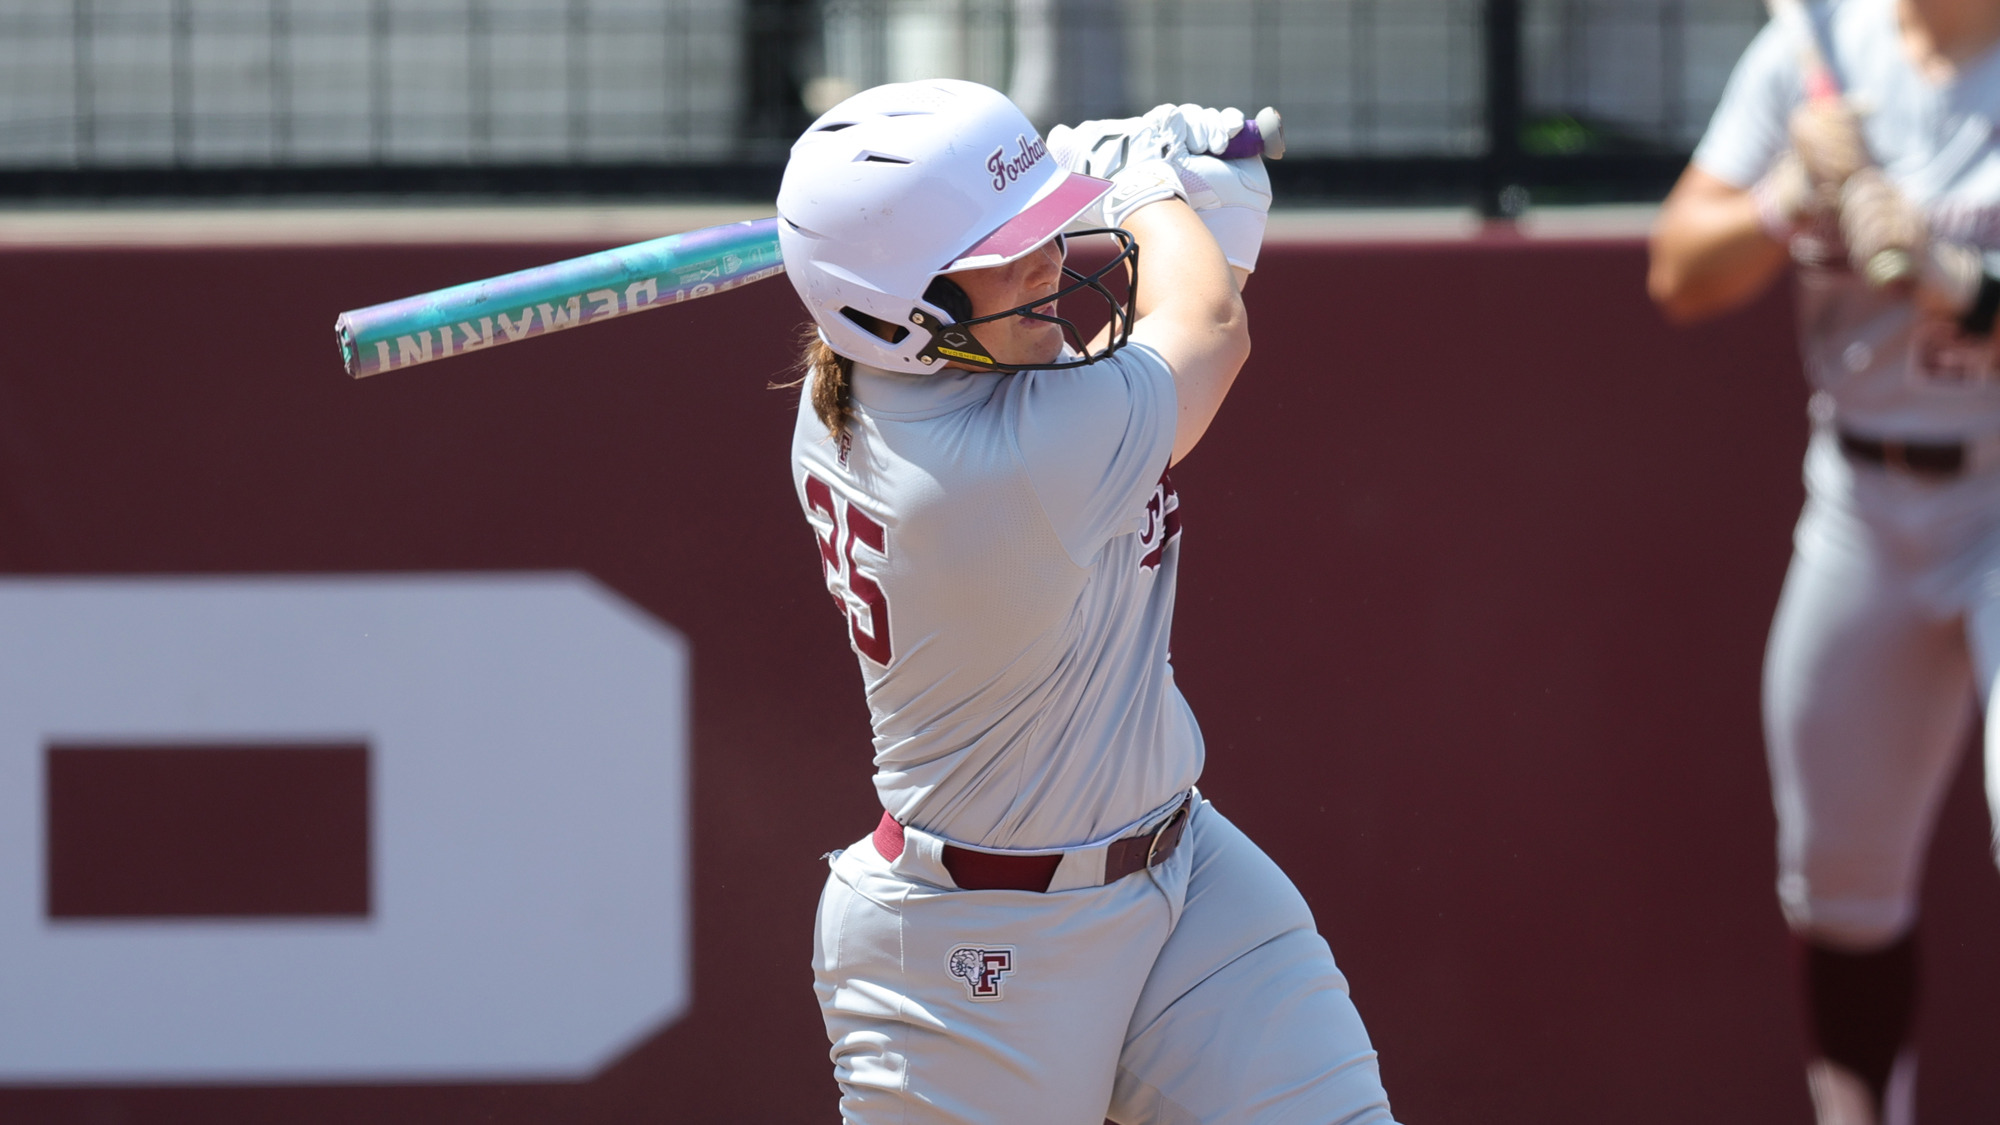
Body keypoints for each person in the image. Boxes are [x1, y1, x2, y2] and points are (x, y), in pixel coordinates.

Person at [775, 79, 1399, 1124]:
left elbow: (1159, 346)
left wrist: (1200, 218)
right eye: (1002, 252)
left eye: (1037, 229)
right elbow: (1203, 325)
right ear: (904, 310)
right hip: (971, 954)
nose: (1049, 259)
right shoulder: (982, 470)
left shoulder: (904, 375)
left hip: (1179, 873)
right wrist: (1145, 183)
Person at [1650, 2, 2000, 1122]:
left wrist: (1963, 283)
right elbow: (1677, 273)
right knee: (1838, 886)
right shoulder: (1821, 47)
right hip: (1862, 497)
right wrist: (1784, 201)